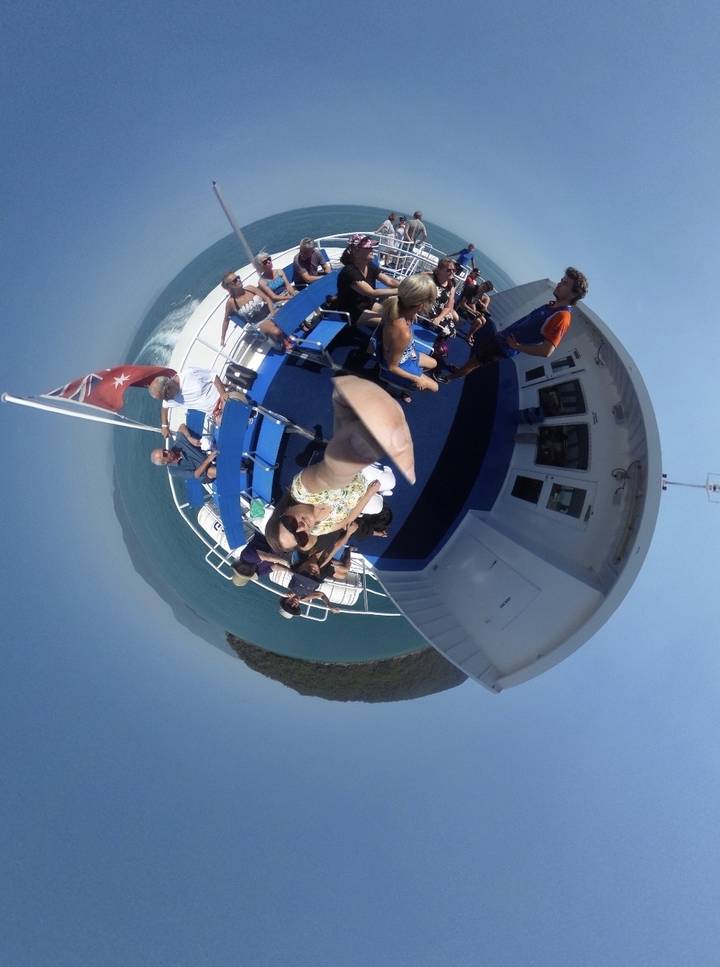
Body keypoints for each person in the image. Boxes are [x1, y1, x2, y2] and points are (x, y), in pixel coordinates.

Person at [265, 375, 414, 554]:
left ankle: (380, 475)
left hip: (358, 473)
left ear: (283, 512)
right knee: (378, 506)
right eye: (300, 538)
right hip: (359, 496)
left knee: (391, 481)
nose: (301, 528)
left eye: (290, 524)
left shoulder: (303, 489)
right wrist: (369, 493)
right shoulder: (316, 529)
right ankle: (380, 492)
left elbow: (327, 475)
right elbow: (344, 521)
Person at [449, 267, 589, 381]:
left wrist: (516, 346)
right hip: (502, 338)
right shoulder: (552, 306)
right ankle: (459, 370)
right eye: (561, 280)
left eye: (565, 283)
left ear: (573, 294)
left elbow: (547, 351)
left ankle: (450, 377)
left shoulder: (562, 317)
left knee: (476, 361)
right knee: (476, 357)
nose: (559, 284)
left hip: (504, 347)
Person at [379, 274, 440, 399]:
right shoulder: (403, 332)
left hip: (407, 353)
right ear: (421, 305)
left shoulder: (400, 311)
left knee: (433, 363)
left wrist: (412, 314)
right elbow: (392, 366)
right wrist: (416, 379)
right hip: (400, 363)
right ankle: (397, 385)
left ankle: (413, 375)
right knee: (435, 388)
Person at [148, 368, 248, 439]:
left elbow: (213, 377)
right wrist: (165, 426)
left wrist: (222, 394)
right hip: (216, 413)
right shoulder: (170, 399)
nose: (166, 400)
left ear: (168, 388)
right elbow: (164, 408)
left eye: (164, 397)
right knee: (229, 431)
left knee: (236, 411)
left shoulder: (189, 374)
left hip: (224, 398)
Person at [335, 234, 399, 326]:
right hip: (352, 311)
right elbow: (371, 292)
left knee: (394, 314)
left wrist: (408, 286)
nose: (372, 249)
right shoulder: (349, 271)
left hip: (367, 304)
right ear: (356, 252)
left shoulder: (369, 265)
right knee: (391, 323)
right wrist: (401, 291)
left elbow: (390, 281)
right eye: (368, 247)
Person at [219, 271, 292, 349]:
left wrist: (273, 313)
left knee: (291, 310)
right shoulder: (231, 303)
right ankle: (285, 342)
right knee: (277, 332)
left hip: (271, 312)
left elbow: (267, 299)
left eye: (238, 277)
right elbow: (226, 320)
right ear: (229, 286)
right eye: (234, 280)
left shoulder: (250, 288)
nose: (238, 280)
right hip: (260, 322)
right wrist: (222, 339)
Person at [150, 424, 218, 482]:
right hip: (205, 472)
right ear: (165, 462)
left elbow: (182, 427)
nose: (167, 451)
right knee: (213, 471)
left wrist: (189, 438)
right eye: (165, 454)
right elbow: (196, 474)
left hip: (207, 455)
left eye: (164, 450)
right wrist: (208, 460)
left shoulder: (178, 444)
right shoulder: (174, 471)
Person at [419, 257, 459, 332]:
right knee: (442, 329)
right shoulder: (430, 278)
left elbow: (448, 307)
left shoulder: (451, 286)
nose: (452, 272)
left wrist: (439, 318)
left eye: (454, 270)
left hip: (439, 312)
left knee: (451, 330)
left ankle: (438, 342)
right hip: (425, 308)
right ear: (440, 270)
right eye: (448, 270)